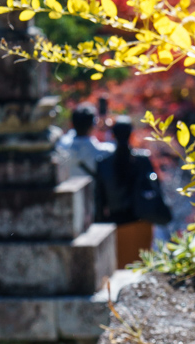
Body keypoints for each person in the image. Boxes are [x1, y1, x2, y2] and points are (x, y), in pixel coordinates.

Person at [95, 118, 173, 267]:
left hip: (115, 226)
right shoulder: (142, 160)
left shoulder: (103, 163)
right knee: (140, 268)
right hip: (141, 221)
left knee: (118, 272)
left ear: (113, 135)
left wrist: (100, 228)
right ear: (131, 134)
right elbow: (154, 189)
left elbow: (99, 200)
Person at [58, 103, 113, 180]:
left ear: (72, 124)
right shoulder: (104, 152)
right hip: (91, 191)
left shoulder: (60, 146)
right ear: (92, 125)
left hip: (68, 190)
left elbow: (69, 135)